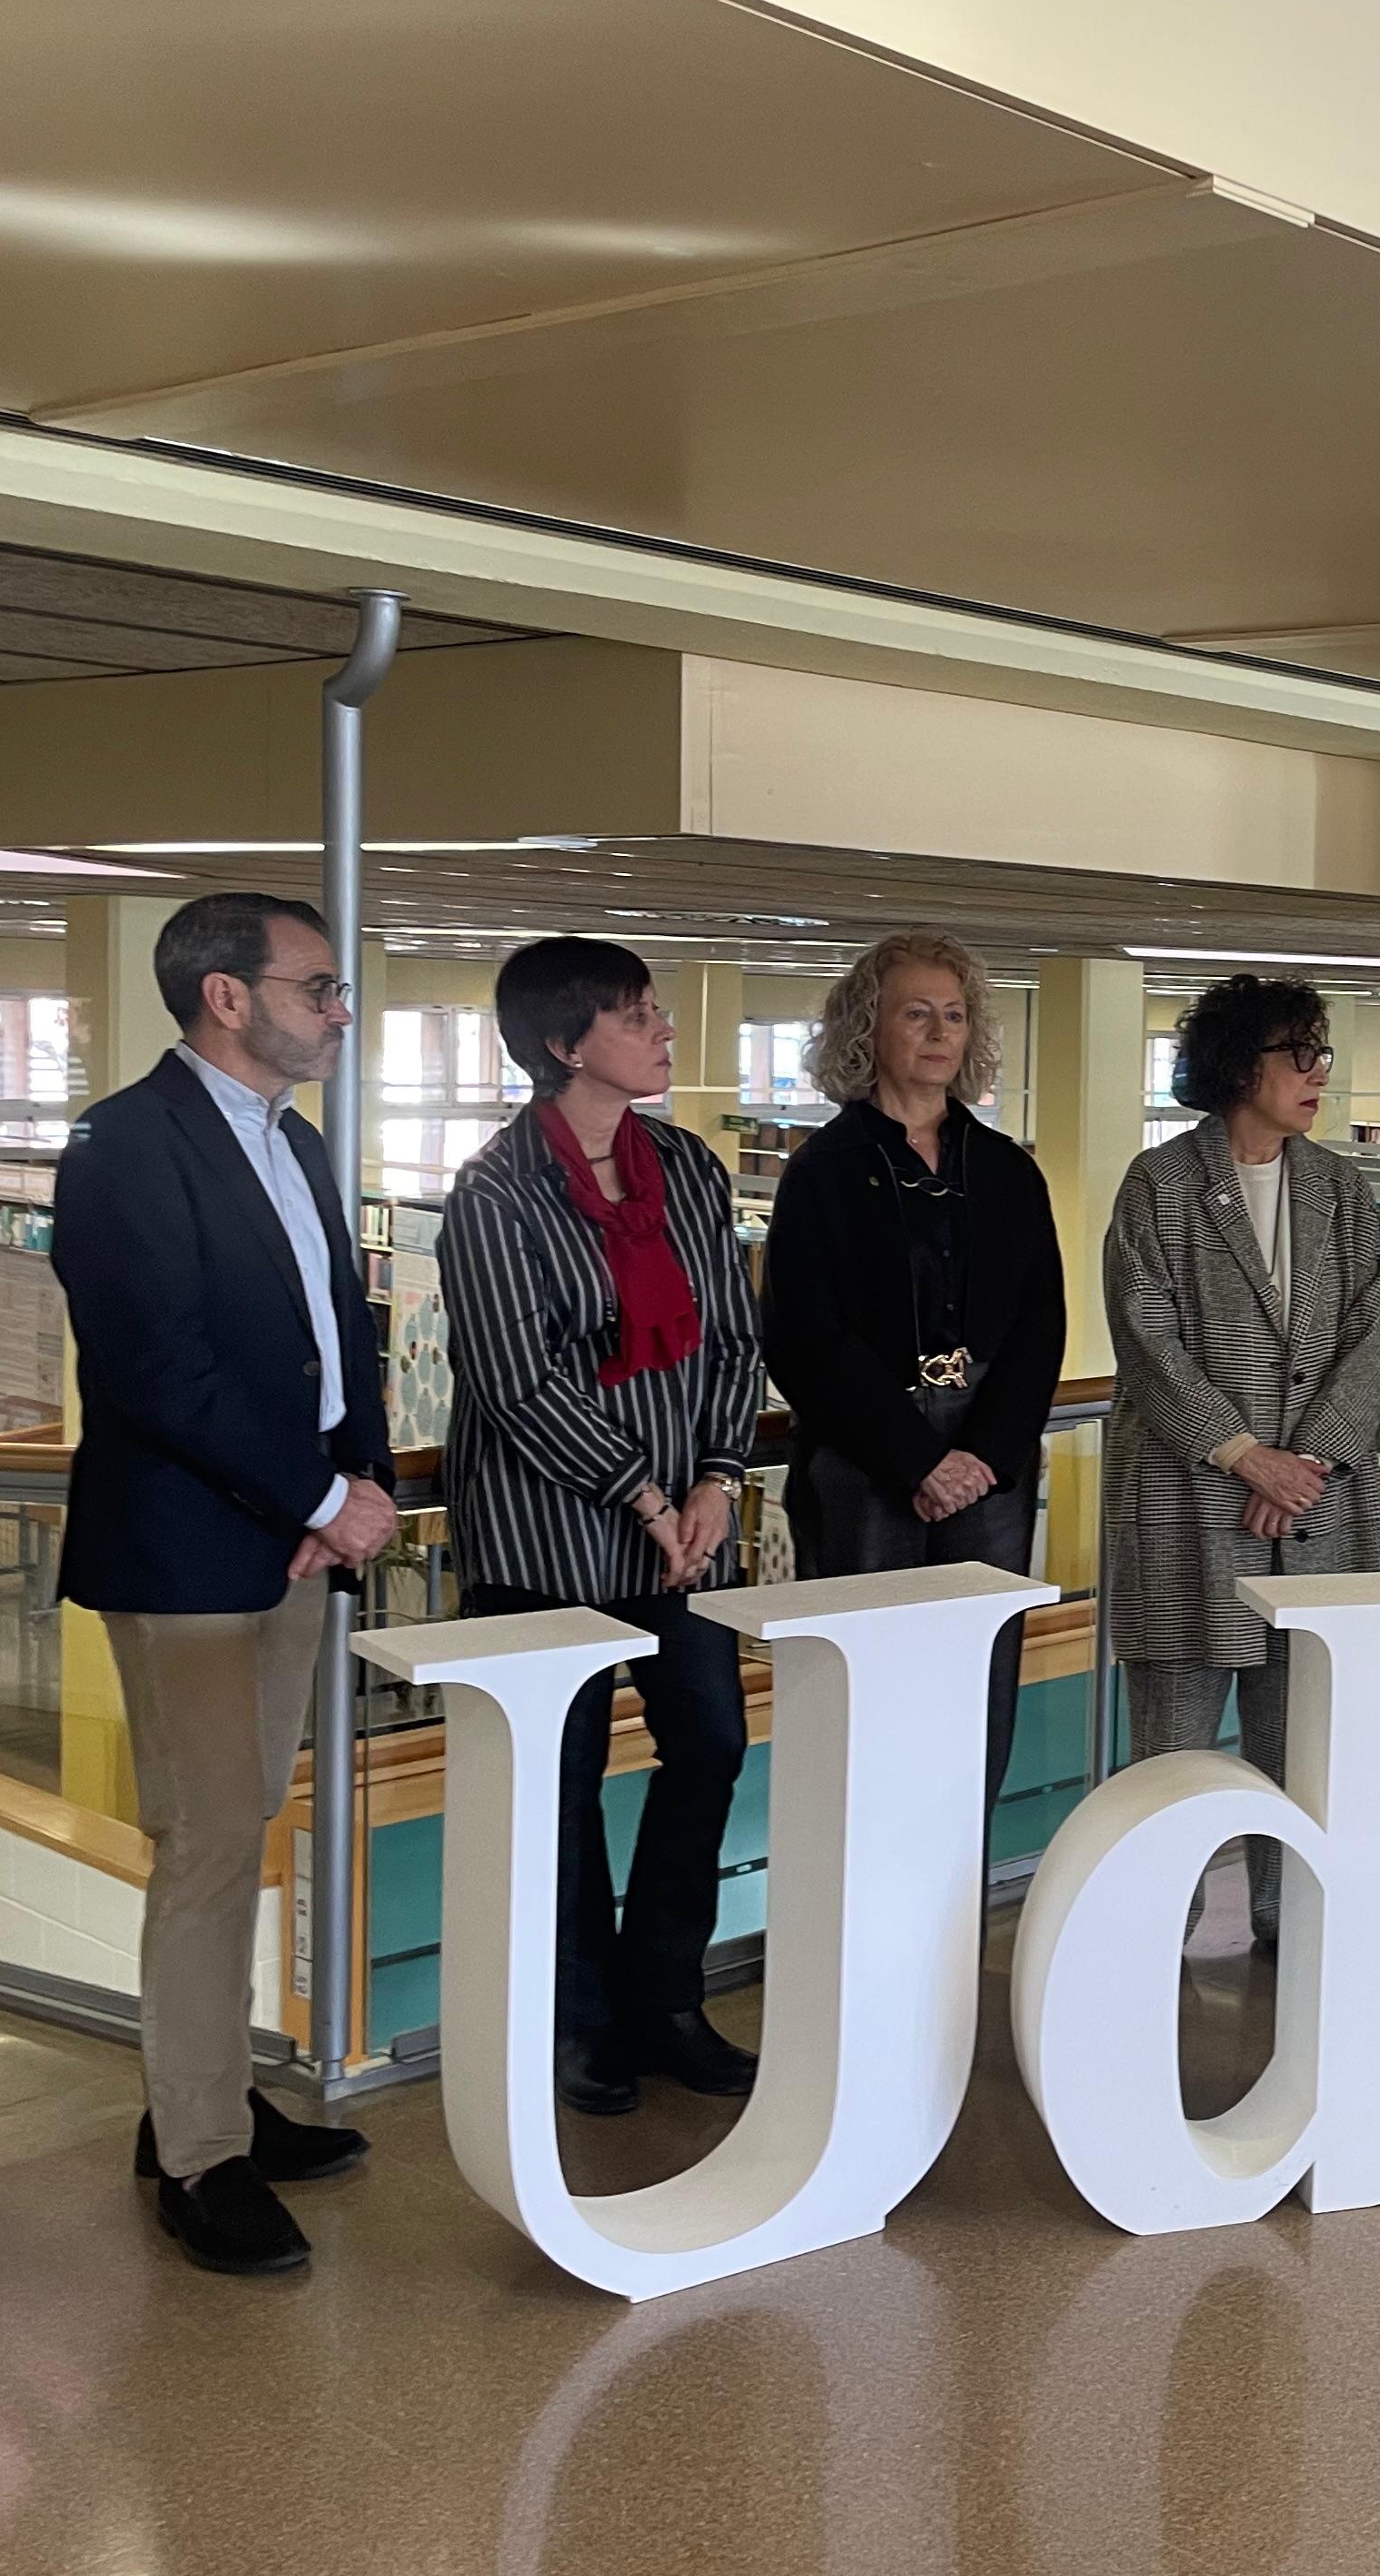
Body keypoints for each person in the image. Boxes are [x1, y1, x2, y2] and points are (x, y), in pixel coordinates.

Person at [55, 891, 396, 2276]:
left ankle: (199, 2095)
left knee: (243, 1821)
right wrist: (317, 1496)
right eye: (320, 987)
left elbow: (339, 1331)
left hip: (295, 1538)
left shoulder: (292, 1140)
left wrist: (357, 1483)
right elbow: (156, 1365)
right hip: (189, 1547)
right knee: (204, 1845)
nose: (340, 1011)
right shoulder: (124, 1145)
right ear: (228, 997)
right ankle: (201, 2157)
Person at [439, 937, 766, 2116]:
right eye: (636, 1017)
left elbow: (733, 1336)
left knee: (712, 1746)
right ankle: (578, 2020)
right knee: (561, 1782)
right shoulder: (494, 1192)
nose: (664, 1032)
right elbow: (517, 1380)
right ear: (564, 1044)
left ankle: (664, 1997)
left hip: (687, 1534)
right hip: (545, 1540)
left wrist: (717, 1480)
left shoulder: (686, 1166)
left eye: (656, 1012)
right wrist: (643, 1494)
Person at [1100, 974, 1380, 1954]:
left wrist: (1302, 1463)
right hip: (1193, 1505)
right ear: (1237, 1066)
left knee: (1300, 1736)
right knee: (1174, 1744)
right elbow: (1145, 1338)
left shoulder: (1341, 1191)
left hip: (1317, 1507)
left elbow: (1369, 1342)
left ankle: (1288, 1919)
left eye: (1320, 1053)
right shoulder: (1160, 1184)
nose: (1317, 1073)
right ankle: (1154, 1927)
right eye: (1297, 1053)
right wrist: (1244, 1456)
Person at [761, 931, 1066, 1859]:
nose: (940, 1034)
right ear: (869, 1028)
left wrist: (983, 1457)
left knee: (979, 1687)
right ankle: (864, 1896)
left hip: (989, 1457)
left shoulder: (1007, 1169)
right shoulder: (822, 1171)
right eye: (917, 1014)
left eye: (956, 1016)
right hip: (868, 1456)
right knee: (869, 1685)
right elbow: (804, 1338)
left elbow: (1040, 1327)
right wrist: (920, 1460)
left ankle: (953, 1890)